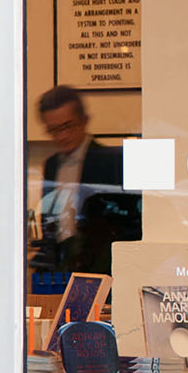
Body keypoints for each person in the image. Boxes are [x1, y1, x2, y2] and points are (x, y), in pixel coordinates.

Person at [33, 84, 140, 284]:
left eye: (67, 126)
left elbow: (125, 225)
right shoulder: (51, 165)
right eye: (53, 130)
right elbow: (50, 224)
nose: (62, 136)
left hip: (104, 270)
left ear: (84, 120)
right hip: (62, 272)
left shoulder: (111, 161)